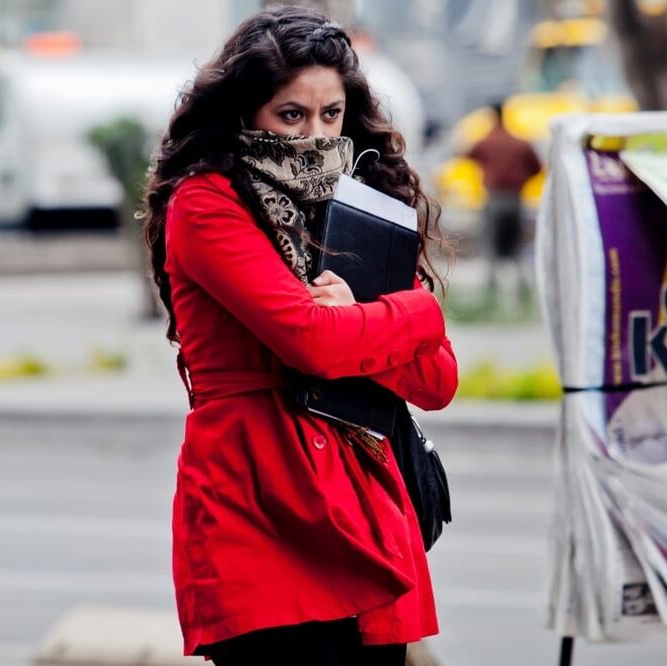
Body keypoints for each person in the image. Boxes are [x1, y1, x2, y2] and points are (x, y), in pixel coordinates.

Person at [142, 7, 458, 666]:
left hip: (359, 497)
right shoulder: (205, 204)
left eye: (331, 115)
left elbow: (437, 382)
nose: (314, 135)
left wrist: (368, 323)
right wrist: (418, 313)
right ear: (245, 113)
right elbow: (311, 341)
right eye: (292, 115)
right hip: (260, 503)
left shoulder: (362, 206)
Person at [466, 102, 542, 302]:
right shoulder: (520, 143)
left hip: (495, 198)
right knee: (517, 244)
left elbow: (467, 155)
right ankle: (523, 293)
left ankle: (490, 294)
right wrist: (522, 179)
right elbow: (538, 167)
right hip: (516, 199)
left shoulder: (486, 141)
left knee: (491, 243)